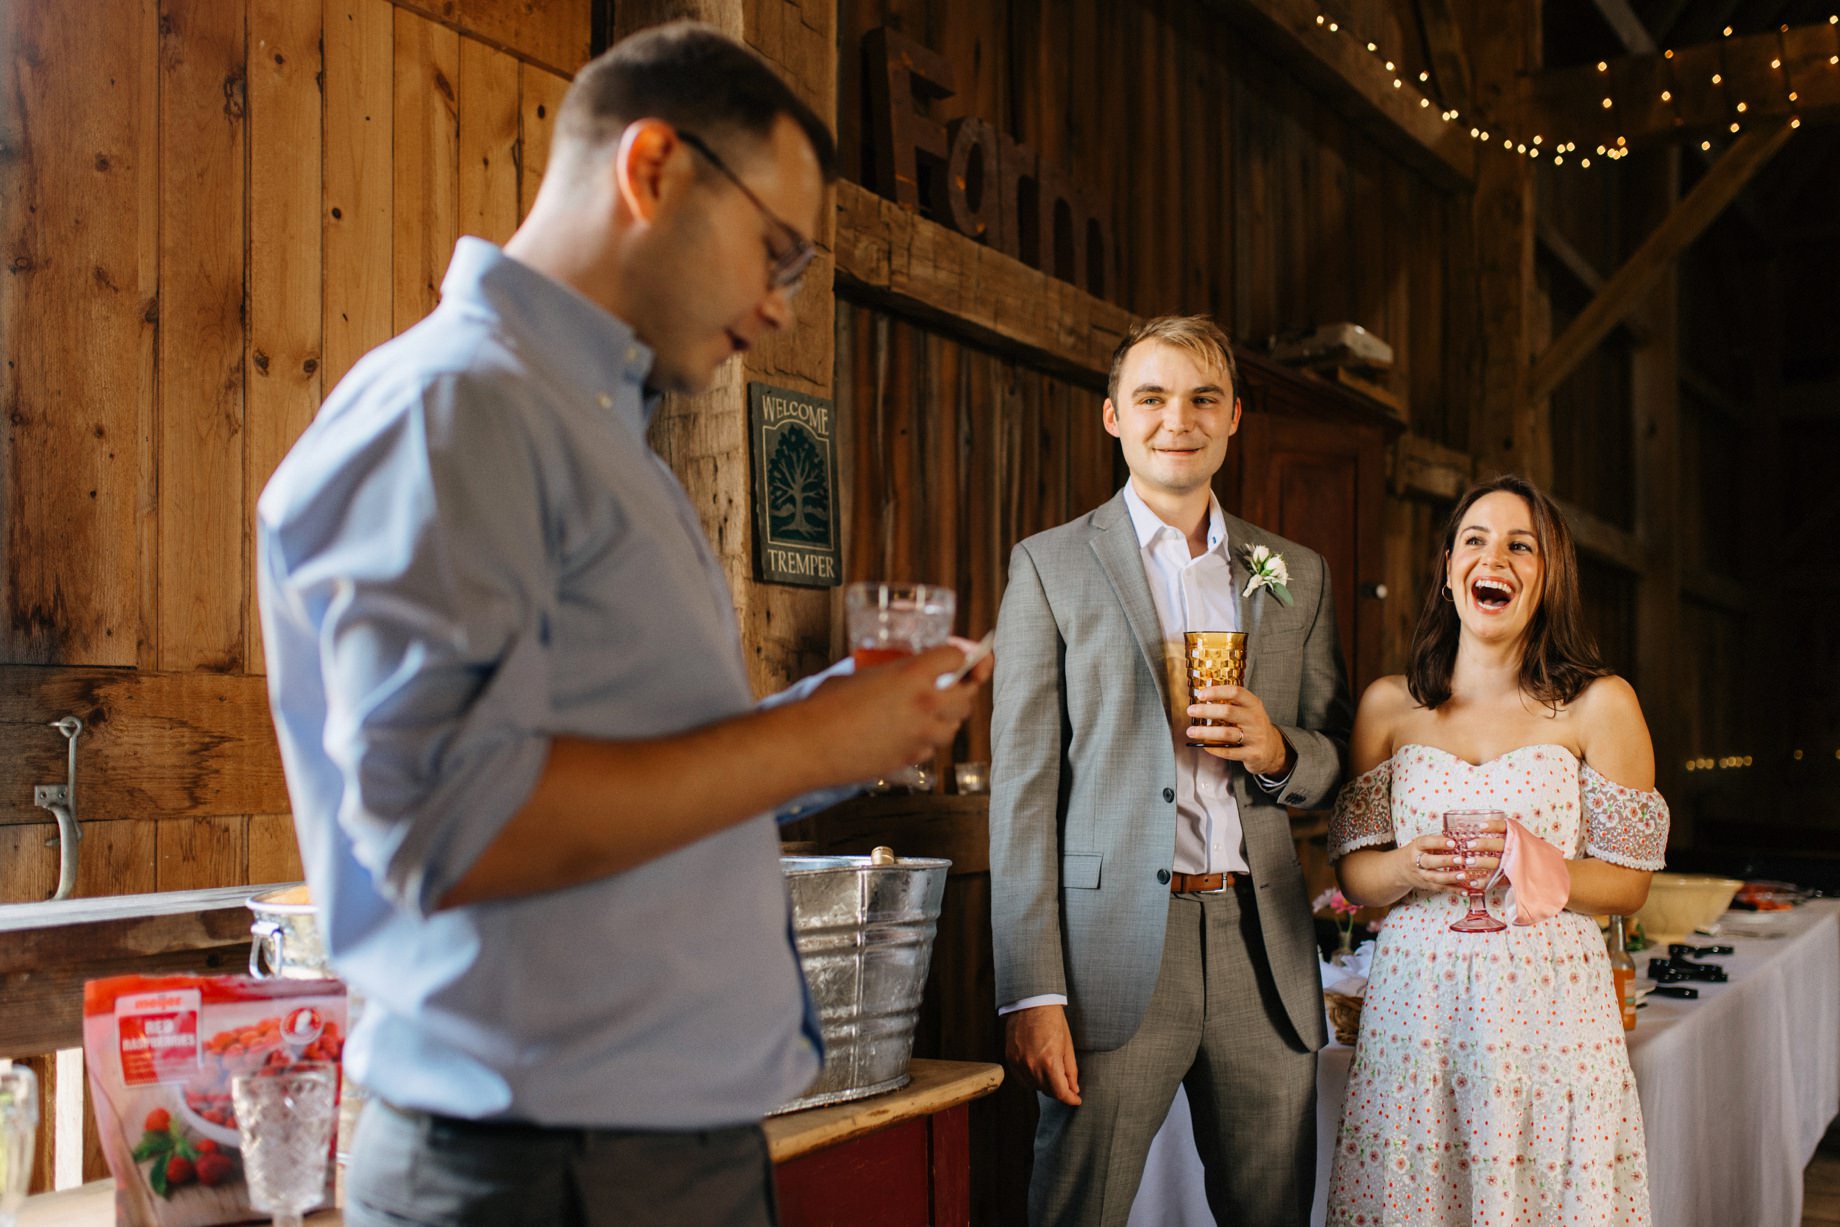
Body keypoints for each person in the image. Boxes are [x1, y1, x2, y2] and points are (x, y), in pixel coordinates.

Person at [255, 22, 988, 1227]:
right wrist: (812, 747)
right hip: (543, 1168)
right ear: (652, 168)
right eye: (779, 251)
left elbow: (627, 772)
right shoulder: (454, 408)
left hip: (640, 1153)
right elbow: (452, 823)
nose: (781, 307)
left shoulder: (588, 426)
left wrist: (831, 727)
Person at [989, 314, 1353, 1226]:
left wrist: (1276, 752)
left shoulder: (1294, 574)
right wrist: (1032, 989)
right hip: (1108, 956)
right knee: (1076, 1209)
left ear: (1235, 418)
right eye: (1151, 397)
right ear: (1112, 416)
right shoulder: (1049, 565)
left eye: (1201, 399)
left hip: (1259, 948)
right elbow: (1024, 793)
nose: (1175, 419)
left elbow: (1334, 759)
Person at [1324, 474, 1667, 1225]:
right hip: (1418, 1011)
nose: (1496, 557)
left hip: (1550, 1012)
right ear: (1450, 570)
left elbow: (1630, 884)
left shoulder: (1600, 703)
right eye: (1475, 540)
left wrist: (1529, 858)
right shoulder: (1389, 706)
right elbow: (1355, 871)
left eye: (1523, 546)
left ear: (1550, 578)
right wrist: (1409, 866)